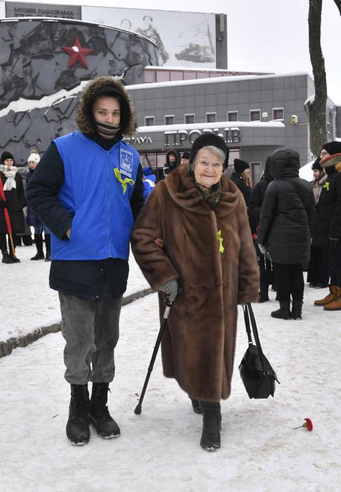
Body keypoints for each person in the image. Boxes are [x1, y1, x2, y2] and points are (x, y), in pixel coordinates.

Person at [26, 76, 145, 446]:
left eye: (115, 112)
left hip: (114, 260)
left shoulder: (131, 156)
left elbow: (136, 204)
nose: (109, 118)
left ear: (124, 115)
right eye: (102, 111)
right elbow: (38, 191)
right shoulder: (64, 149)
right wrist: (66, 226)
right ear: (89, 113)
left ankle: (99, 405)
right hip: (76, 259)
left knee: (107, 338)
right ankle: (77, 408)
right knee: (79, 340)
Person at [131, 133, 259, 451]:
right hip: (183, 290)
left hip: (222, 293)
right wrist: (165, 277)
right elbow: (143, 237)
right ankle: (197, 391)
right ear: (192, 161)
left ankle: (212, 418)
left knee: (212, 354)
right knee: (192, 352)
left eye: (217, 164)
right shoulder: (167, 193)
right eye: (204, 161)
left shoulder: (232, 197)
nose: (210, 169)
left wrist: (247, 285)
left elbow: (244, 245)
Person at [256, 149, 315, 320]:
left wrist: (261, 239)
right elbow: (312, 212)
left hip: (279, 237)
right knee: (297, 272)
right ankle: (297, 310)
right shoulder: (306, 185)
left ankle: (284, 308)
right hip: (301, 235)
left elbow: (266, 216)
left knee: (281, 272)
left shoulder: (274, 186)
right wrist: (309, 234)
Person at [313, 141, 341, 311]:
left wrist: (335, 230)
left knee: (339, 260)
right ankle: (335, 290)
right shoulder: (331, 176)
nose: (321, 157)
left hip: (337, 228)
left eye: (323, 153)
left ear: (333, 155)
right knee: (330, 259)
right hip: (327, 227)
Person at [0, 151, 25, 263]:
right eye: (7, 160)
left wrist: (21, 203)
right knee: (2, 231)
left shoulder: (16, 175)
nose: (9, 162)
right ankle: (4, 253)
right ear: (3, 162)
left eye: (11, 160)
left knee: (13, 231)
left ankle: (13, 252)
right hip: (2, 207)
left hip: (14, 207)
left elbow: (20, 191)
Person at [249, 154, 275, 302]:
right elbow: (252, 206)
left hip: (279, 228)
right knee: (264, 261)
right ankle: (263, 292)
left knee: (279, 261)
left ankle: (279, 289)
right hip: (263, 228)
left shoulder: (283, 183)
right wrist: (263, 214)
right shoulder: (261, 185)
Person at [25, 152, 51, 261]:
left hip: (44, 204)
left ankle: (49, 252)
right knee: (37, 229)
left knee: (47, 229)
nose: (31, 164)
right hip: (33, 205)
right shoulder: (28, 175)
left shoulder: (44, 172)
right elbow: (27, 188)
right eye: (30, 162)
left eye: (33, 162)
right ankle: (39, 252)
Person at [307, 158, 329, 288]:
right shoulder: (313, 184)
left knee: (321, 252)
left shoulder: (326, 183)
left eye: (316, 171)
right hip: (314, 222)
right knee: (314, 251)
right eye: (314, 171)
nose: (314, 173)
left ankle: (321, 279)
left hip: (322, 221)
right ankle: (313, 278)